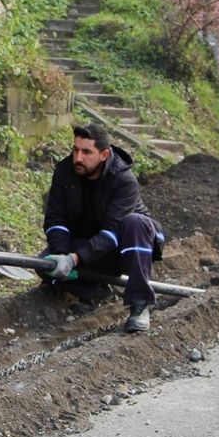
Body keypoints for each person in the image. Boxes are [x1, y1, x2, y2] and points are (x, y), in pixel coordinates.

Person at [41, 123, 164, 332]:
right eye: (75, 150)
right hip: (93, 243)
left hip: (128, 246)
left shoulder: (124, 181)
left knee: (135, 222)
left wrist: (74, 259)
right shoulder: (65, 172)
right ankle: (94, 291)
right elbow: (55, 219)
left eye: (86, 152)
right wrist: (62, 255)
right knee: (44, 265)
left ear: (104, 154)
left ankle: (140, 304)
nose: (78, 157)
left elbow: (113, 233)